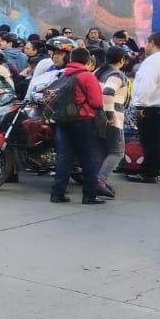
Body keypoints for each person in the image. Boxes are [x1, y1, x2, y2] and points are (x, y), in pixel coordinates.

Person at [49, 47, 107, 205]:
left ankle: (57, 194)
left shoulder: (63, 74)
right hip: (83, 121)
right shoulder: (87, 76)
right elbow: (96, 102)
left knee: (64, 157)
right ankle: (89, 195)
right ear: (88, 61)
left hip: (63, 120)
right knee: (89, 158)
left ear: (70, 60)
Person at [127, 32, 160, 184]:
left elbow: (146, 84)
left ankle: (149, 173)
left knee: (150, 141)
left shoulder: (153, 61)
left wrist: (139, 105)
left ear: (152, 43)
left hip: (151, 106)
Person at [93, 46, 129, 199]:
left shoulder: (98, 72)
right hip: (111, 118)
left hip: (95, 116)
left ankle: (95, 179)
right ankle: (99, 181)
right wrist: (110, 115)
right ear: (122, 60)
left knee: (102, 151)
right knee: (117, 152)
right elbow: (108, 92)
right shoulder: (116, 74)